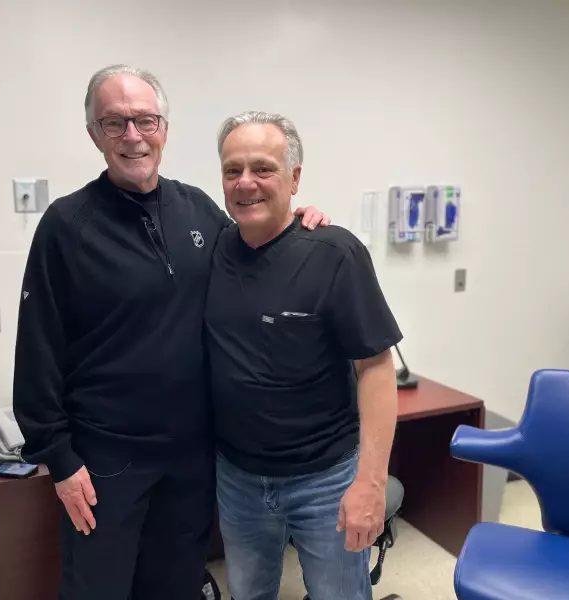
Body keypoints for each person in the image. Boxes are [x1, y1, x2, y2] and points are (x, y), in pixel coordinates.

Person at [11, 67, 329, 600]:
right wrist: (59, 458)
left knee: (177, 585)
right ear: (94, 134)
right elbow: (37, 350)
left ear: (164, 128)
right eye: (115, 123)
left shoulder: (198, 208)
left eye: (145, 120)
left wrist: (296, 222)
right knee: (98, 590)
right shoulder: (67, 226)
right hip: (105, 461)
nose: (132, 135)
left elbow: (256, 254)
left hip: (191, 455)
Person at [205, 111, 402, 600]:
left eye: (263, 168)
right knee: (248, 593)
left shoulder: (335, 254)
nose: (245, 182)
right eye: (232, 170)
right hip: (238, 479)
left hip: (325, 479)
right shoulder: (212, 248)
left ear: (294, 179)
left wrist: (371, 483)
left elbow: (377, 369)